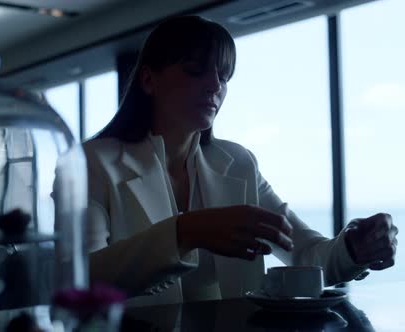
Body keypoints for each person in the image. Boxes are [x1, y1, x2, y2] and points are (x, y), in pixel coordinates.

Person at [81, 15, 398, 306]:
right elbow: (82, 279)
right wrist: (184, 233)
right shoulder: (92, 162)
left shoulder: (238, 162)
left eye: (224, 75)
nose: (215, 85)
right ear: (149, 81)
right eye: (195, 70)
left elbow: (307, 255)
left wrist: (353, 249)